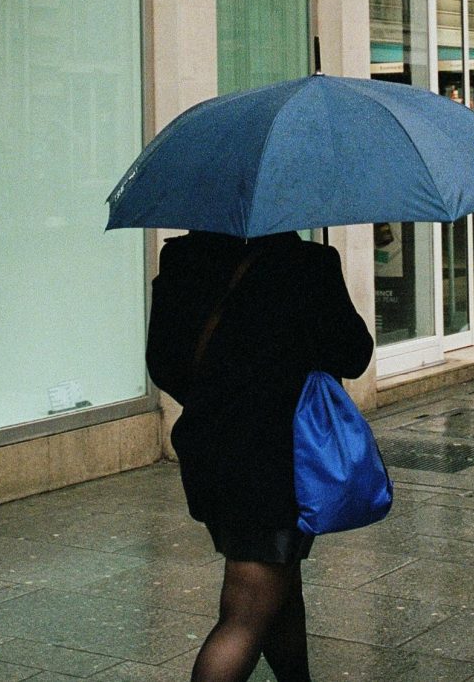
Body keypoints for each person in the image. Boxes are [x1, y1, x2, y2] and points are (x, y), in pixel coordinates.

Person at [146, 229, 373, 682]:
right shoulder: (308, 263)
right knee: (246, 615)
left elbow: (163, 364)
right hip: (280, 460)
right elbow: (353, 354)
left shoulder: (182, 261)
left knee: (279, 588)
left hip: (210, 452)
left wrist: (218, 398)